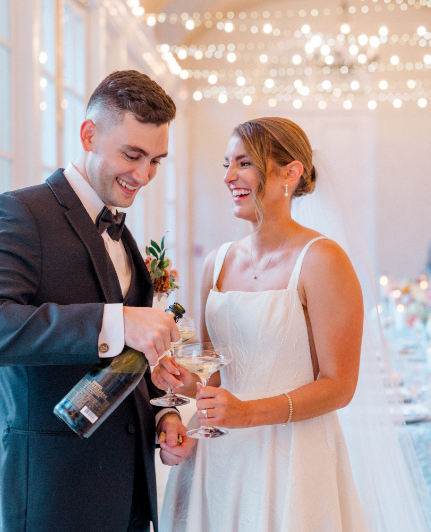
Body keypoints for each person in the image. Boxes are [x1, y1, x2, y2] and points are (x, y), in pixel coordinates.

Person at [0, 70, 195, 532]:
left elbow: (124, 362)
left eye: (156, 161)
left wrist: (161, 414)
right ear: (89, 134)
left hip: (128, 498)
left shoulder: (120, 232)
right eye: (132, 154)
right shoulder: (19, 212)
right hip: (50, 496)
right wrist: (118, 322)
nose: (143, 176)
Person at [154, 117, 369, 531]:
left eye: (244, 163)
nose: (229, 176)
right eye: (227, 164)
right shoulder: (215, 262)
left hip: (293, 457)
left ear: (291, 173)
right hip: (216, 456)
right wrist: (177, 384)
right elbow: (213, 373)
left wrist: (248, 413)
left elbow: (339, 385)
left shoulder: (323, 260)